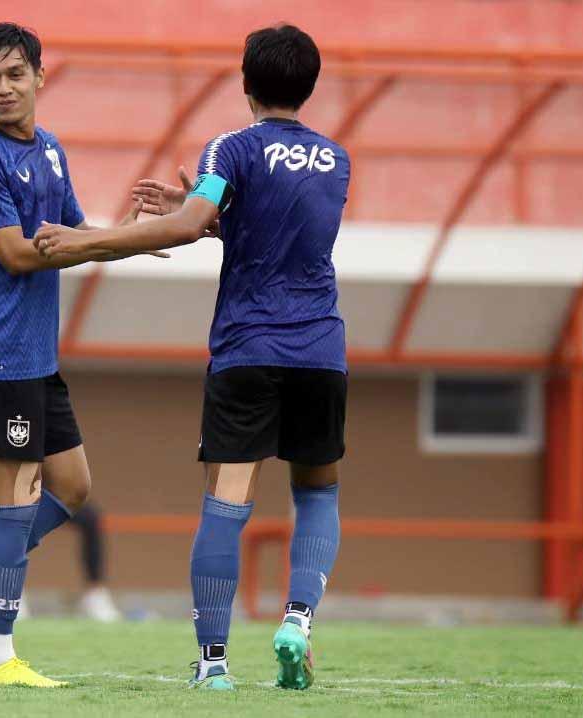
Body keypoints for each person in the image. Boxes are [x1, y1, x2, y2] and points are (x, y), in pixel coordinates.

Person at [35, 24, 347, 691]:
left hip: (249, 348)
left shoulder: (231, 147)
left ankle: (213, 665)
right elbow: (276, 229)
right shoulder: (335, 158)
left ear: (245, 81)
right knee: (317, 491)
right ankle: (298, 621)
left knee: (226, 501)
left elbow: (183, 229)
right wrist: (209, 213)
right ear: (309, 85)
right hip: (321, 348)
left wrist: (89, 241)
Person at [0, 23, 161, 688]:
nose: (3, 88)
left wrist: (133, 237)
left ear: (39, 78)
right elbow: (18, 253)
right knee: (14, 504)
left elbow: (73, 231)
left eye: (15, 75)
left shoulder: (50, 150)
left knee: (73, 489)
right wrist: (105, 245)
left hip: (35, 356)